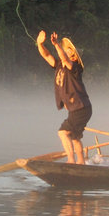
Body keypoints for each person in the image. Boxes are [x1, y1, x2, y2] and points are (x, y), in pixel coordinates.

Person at [37, 30, 92, 164]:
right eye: (67, 50)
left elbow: (65, 59)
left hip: (81, 107)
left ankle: (71, 160)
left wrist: (56, 44)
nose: (67, 53)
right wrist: (39, 44)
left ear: (74, 57)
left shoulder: (76, 67)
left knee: (63, 133)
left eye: (70, 52)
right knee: (74, 137)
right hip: (77, 108)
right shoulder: (59, 66)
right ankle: (80, 162)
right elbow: (47, 55)